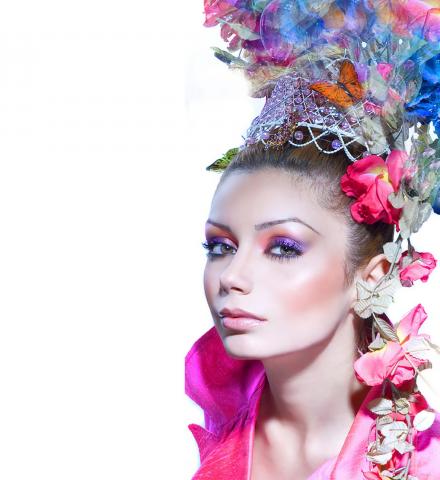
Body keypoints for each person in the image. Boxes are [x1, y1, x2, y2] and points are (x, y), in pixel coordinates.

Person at [186, 1, 440, 479]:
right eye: (220, 246)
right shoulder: (225, 419)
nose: (232, 277)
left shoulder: (425, 463)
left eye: (283, 248)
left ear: (372, 275)